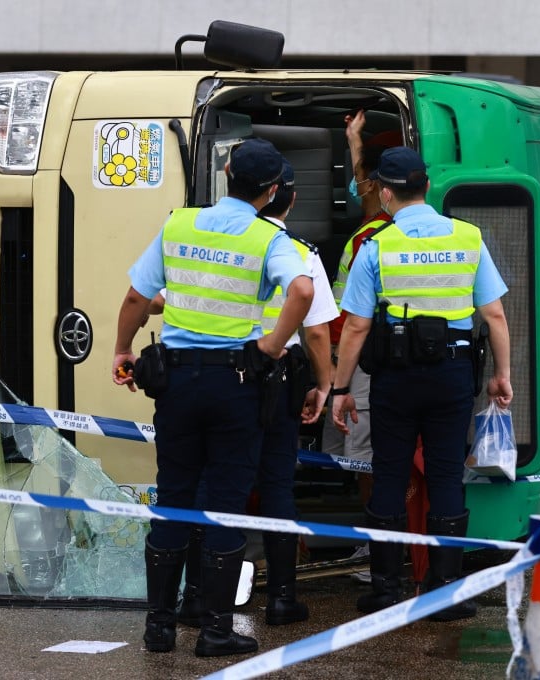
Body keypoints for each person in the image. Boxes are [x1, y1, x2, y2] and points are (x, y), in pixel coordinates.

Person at [112, 138, 313, 657]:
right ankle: (215, 633)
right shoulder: (270, 237)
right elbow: (304, 293)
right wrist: (269, 346)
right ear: (271, 192)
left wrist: (121, 348)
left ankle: (159, 628)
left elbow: (137, 296)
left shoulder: (179, 224)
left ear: (225, 171)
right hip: (235, 384)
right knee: (225, 502)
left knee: (174, 499)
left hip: (176, 384)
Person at [331, 146, 513, 620]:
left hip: (396, 377)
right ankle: (445, 592)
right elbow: (493, 314)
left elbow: (354, 327)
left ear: (386, 193)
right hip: (452, 376)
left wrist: (340, 388)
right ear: (427, 187)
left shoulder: (376, 247)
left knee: (389, 474)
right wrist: (501, 376)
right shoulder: (469, 238)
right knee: (446, 475)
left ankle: (386, 590)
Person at [174, 160, 338, 629]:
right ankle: (283, 599)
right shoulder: (297, 251)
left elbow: (167, 297)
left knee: (209, 483)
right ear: (286, 198)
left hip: (220, 375)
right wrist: (323, 385)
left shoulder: (207, 237)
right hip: (277, 378)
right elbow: (318, 333)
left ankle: (198, 597)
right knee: (277, 486)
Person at [323, 112, 401, 580]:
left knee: (367, 456)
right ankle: (372, 543)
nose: (361, 184)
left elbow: (356, 321)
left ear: (381, 184)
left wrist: (339, 371)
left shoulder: (381, 237)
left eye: (367, 175)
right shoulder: (378, 225)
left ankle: (378, 551)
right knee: (356, 455)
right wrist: (353, 141)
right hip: (349, 361)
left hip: (361, 362)